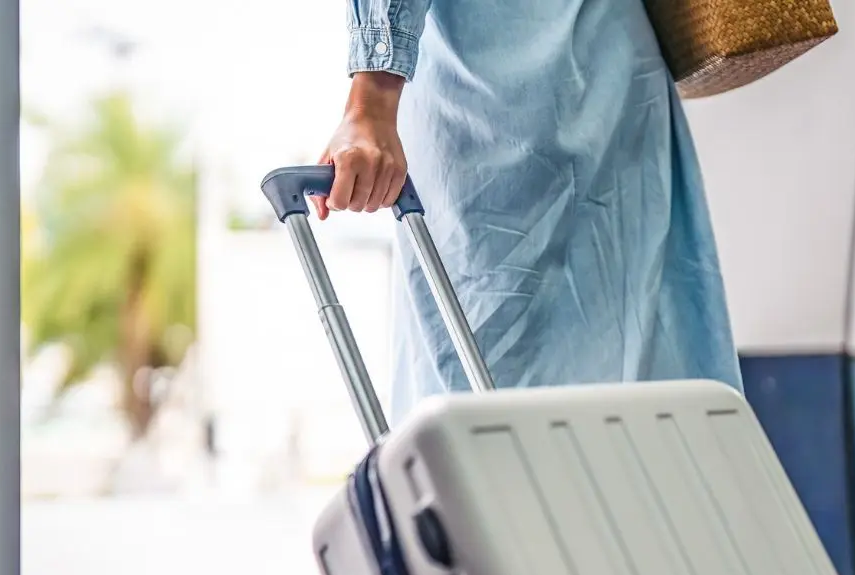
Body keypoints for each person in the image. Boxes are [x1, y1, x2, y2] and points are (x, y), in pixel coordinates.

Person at [315, 0, 744, 420]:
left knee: (495, 423)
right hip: (609, 82)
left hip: (504, 110)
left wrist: (371, 98)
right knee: (646, 404)